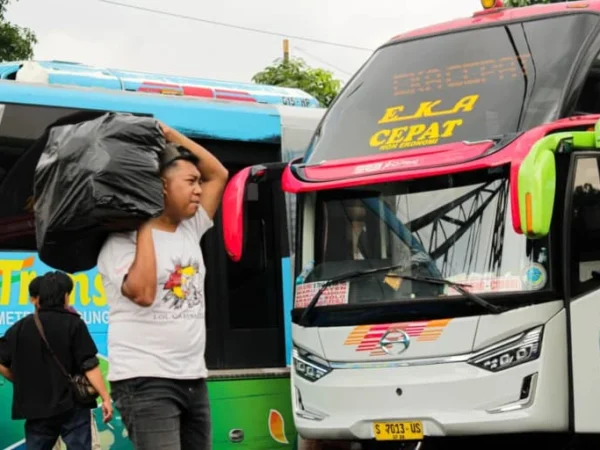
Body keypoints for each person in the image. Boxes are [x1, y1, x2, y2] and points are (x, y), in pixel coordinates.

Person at [97, 123, 228, 450]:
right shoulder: (119, 242)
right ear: (161, 188)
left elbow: (220, 174)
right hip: (144, 380)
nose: (199, 190)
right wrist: (145, 217)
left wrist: (172, 136)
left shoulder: (190, 228)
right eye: (190, 182)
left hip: (193, 378)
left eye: (199, 183)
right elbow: (143, 293)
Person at [0, 271, 113, 450]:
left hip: (36, 409)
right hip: (73, 406)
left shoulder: (20, 327)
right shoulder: (74, 323)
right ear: (65, 296)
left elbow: (2, 362)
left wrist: (20, 380)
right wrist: (105, 397)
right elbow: (89, 364)